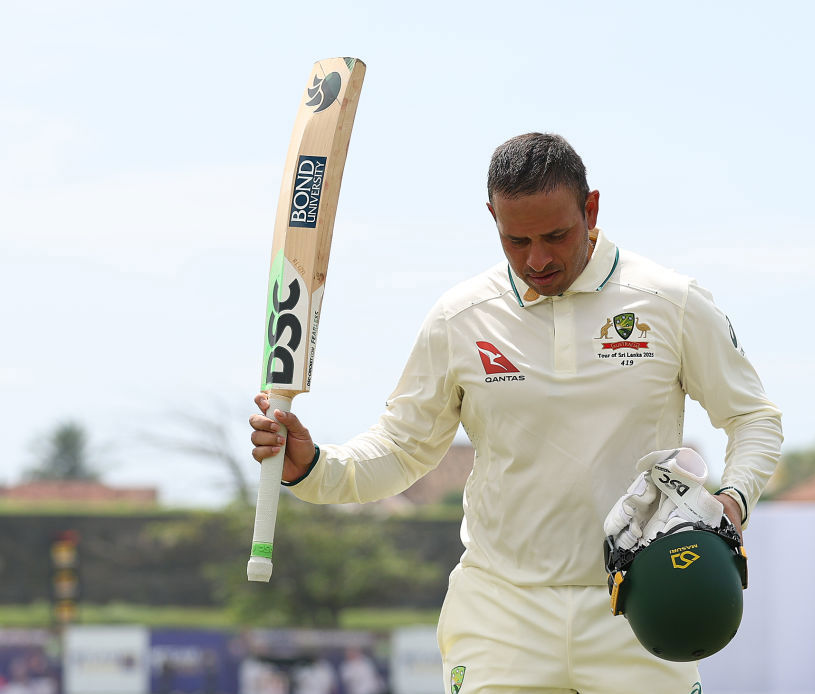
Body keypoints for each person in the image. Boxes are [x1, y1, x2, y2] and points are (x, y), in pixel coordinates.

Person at [249, 133, 783, 693]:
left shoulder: (671, 302)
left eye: (556, 235)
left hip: (638, 607)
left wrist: (732, 501)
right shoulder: (460, 317)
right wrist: (314, 467)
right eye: (516, 240)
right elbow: (403, 449)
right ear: (493, 219)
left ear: (591, 209)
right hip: (501, 614)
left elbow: (753, 418)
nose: (538, 259)